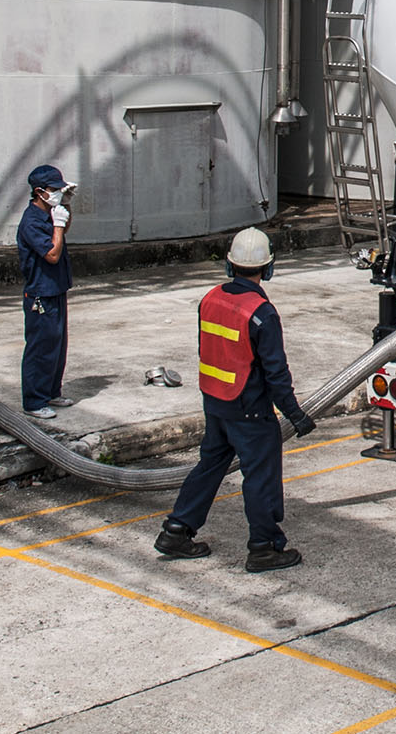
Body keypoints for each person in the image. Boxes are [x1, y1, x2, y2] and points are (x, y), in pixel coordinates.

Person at [155, 227, 316, 573]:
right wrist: (295, 415)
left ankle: (176, 530)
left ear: (230, 265)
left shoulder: (210, 298)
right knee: (260, 477)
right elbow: (276, 373)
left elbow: (210, 349)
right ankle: (264, 547)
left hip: (215, 401)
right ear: (268, 268)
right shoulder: (262, 313)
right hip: (250, 409)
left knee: (209, 467)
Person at [16, 164, 76, 419]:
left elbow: (60, 234)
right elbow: (52, 253)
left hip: (56, 288)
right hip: (41, 290)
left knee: (57, 345)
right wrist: (59, 225)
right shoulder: (31, 221)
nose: (57, 194)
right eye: (54, 190)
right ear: (39, 192)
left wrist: (67, 209)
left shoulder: (49, 215)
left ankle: (51, 391)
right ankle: (33, 400)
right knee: (40, 347)